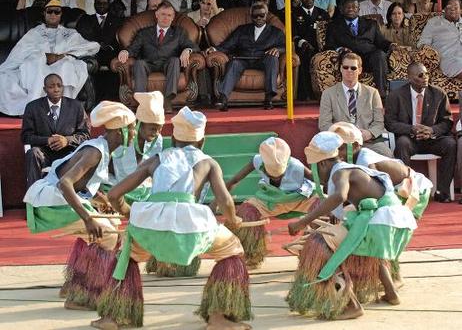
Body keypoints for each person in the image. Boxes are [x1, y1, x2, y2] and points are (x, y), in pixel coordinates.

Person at [89, 106, 252, 330]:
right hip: (192, 226)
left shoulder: (156, 159)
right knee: (232, 251)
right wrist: (233, 220)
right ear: (202, 141)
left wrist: (130, 213)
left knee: (126, 257)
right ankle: (218, 318)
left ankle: (113, 317)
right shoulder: (208, 162)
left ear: (173, 138)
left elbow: (114, 195)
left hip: (151, 224)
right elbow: (225, 201)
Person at [286, 131, 417, 320]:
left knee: (321, 245)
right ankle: (391, 293)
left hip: (382, 220)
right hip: (391, 221)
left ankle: (351, 305)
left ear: (322, 163)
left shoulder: (340, 172)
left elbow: (339, 196)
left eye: (314, 168)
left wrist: (302, 222)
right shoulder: (349, 169)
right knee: (369, 247)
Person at [23, 100, 136, 310]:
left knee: (109, 222)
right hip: (51, 202)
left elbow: (83, 184)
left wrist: (100, 201)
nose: (135, 133)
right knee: (108, 235)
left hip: (59, 198)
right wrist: (88, 217)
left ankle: (73, 284)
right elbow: (65, 183)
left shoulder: (101, 146)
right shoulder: (95, 152)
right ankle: (81, 295)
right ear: (120, 132)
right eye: (132, 128)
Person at [221, 136, 319, 268]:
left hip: (300, 197)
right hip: (271, 199)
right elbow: (235, 180)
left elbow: (318, 181)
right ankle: (253, 255)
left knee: (322, 207)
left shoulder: (296, 165)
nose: (276, 177)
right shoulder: (257, 161)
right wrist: (218, 199)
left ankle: (314, 256)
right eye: (272, 175)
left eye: (280, 175)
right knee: (246, 212)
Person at [0, 0, 100, 116]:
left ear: (61, 14)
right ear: (44, 13)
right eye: (50, 11)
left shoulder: (70, 33)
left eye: (56, 12)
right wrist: (43, 56)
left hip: (61, 64)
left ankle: (61, 111)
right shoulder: (34, 33)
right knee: (32, 65)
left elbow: (93, 46)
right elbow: (20, 53)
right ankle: (35, 110)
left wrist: (61, 56)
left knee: (67, 65)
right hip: (37, 65)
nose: (53, 14)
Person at [329, 121, 433, 218]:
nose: (337, 153)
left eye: (340, 149)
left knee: (393, 226)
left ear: (355, 146)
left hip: (413, 191)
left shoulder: (366, 160)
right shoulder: (354, 160)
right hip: (395, 192)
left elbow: (380, 194)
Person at [385, 62, 456, 203]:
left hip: (432, 139)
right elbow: (390, 123)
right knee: (402, 143)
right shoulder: (396, 95)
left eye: (427, 74)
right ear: (410, 78)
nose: (426, 77)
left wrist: (432, 130)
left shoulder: (438, 94)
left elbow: (447, 121)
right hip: (410, 139)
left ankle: (442, 191)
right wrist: (411, 129)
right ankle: (404, 191)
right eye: (420, 75)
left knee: (451, 144)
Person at [117, 1, 198, 114]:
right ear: (156, 15)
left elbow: (193, 46)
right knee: (139, 63)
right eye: (163, 14)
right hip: (148, 63)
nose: (166, 18)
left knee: (175, 60)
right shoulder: (144, 32)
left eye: (169, 15)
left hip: (168, 64)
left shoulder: (178, 32)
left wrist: (187, 50)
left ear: (173, 17)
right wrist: (125, 51)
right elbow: (133, 48)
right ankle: (142, 102)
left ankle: (167, 101)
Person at [206, 3, 285, 111]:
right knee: (234, 63)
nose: (258, 18)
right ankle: (223, 99)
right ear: (251, 16)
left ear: (266, 15)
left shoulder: (276, 32)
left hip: (263, 59)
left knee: (273, 58)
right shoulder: (242, 29)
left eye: (261, 15)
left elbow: (286, 47)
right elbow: (228, 45)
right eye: (255, 16)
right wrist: (215, 49)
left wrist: (278, 50)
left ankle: (269, 97)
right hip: (244, 58)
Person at [21, 74, 90, 189]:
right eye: (51, 86)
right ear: (45, 89)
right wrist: (47, 140)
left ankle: (76, 195)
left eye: (59, 85)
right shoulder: (32, 107)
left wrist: (66, 140)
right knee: (32, 153)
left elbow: (85, 135)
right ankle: (34, 194)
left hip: (68, 153)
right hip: (44, 153)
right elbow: (26, 136)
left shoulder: (76, 106)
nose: (56, 89)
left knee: (81, 154)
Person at [319, 52, 393, 157]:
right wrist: (343, 136)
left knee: (387, 155)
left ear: (359, 70)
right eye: (345, 67)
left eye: (353, 68)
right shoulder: (328, 94)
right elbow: (324, 124)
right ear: (341, 69)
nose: (349, 70)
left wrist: (369, 133)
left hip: (368, 142)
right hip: (340, 143)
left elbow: (379, 122)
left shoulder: (373, 93)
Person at [325, 0, 396, 98]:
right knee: (348, 59)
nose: (351, 9)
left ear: (358, 10)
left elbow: (381, 42)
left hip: (369, 57)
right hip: (349, 57)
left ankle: (381, 94)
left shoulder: (371, 24)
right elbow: (329, 45)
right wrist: (341, 49)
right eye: (348, 7)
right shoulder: (334, 26)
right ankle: (349, 95)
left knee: (379, 55)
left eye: (354, 7)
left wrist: (390, 45)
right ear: (341, 9)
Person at [102, 91, 163, 203]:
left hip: (143, 189)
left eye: (160, 129)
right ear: (139, 124)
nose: (157, 133)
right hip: (116, 184)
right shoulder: (121, 135)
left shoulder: (157, 139)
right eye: (153, 129)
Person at [293, 0, 329, 100]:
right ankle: (305, 95)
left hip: (320, 48)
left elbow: (328, 33)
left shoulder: (323, 13)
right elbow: (292, 34)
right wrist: (302, 43)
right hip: (302, 48)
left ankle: (322, 94)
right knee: (303, 60)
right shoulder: (293, 13)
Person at [418, 0, 462, 80]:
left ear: (461, 10)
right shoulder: (434, 22)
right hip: (449, 59)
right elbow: (422, 43)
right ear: (444, 9)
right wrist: (432, 54)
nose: (452, 9)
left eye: (456, 7)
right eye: (449, 7)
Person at [76, 0, 124, 67]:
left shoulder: (117, 20)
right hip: (92, 53)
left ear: (109, 5)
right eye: (99, 3)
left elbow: (119, 40)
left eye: (105, 3)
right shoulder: (86, 19)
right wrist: (98, 44)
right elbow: (82, 36)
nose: (102, 5)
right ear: (94, 4)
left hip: (110, 54)